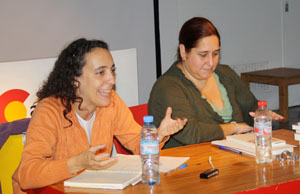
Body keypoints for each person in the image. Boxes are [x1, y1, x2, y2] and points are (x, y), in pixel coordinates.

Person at [12, 38, 187, 193]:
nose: (111, 79)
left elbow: (135, 143)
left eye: (112, 71)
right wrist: (77, 163)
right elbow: (27, 174)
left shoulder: (111, 102)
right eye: (101, 73)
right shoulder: (49, 110)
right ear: (75, 80)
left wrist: (159, 134)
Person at [148, 17, 283, 149]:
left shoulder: (225, 73)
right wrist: (233, 128)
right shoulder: (168, 87)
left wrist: (261, 115)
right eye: (203, 55)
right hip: (190, 164)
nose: (211, 63)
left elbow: (251, 109)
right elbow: (191, 134)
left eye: (215, 54)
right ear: (183, 51)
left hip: (232, 159)